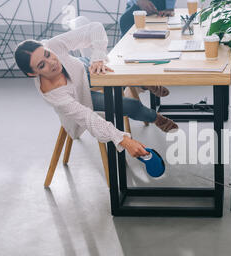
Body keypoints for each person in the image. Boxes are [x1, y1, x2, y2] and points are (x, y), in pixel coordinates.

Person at [14, 22, 178, 158]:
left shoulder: (52, 45)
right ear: (32, 73)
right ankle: (155, 117)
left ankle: (140, 83)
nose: (51, 63)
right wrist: (123, 140)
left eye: (48, 55)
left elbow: (94, 28)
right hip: (82, 97)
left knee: (116, 70)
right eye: (42, 65)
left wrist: (98, 57)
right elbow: (88, 117)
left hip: (83, 67)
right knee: (130, 105)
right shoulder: (55, 95)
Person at [119, 0, 176, 98]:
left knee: (158, 42)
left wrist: (170, 7)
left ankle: (144, 81)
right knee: (129, 32)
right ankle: (141, 82)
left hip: (159, 6)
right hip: (135, 9)